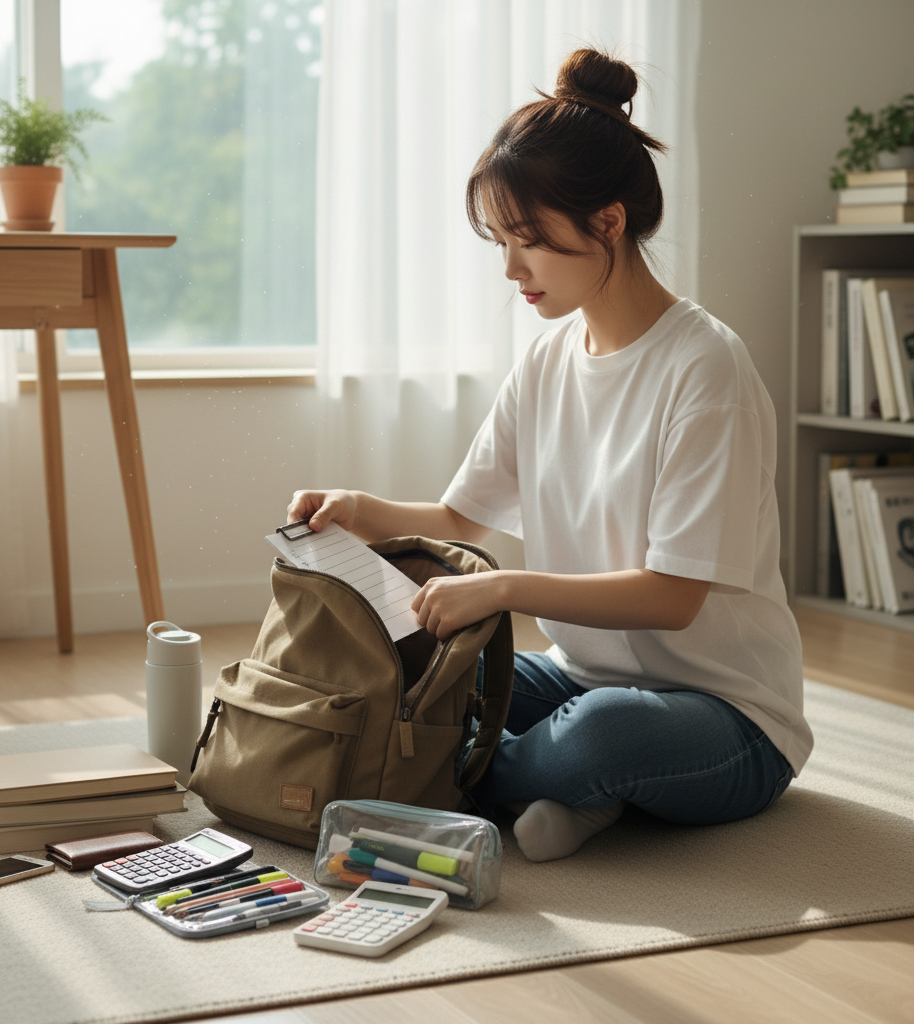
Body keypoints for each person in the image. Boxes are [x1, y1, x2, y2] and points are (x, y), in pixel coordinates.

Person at [288, 48, 811, 862]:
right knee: (428, 669)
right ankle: (560, 796)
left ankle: (500, 778)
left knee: (599, 737)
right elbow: (462, 516)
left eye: (527, 240)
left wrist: (502, 587)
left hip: (727, 717)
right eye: (500, 241)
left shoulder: (708, 369)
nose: (510, 269)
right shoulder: (547, 359)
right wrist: (360, 511)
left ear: (608, 221)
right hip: (583, 680)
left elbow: (674, 597)